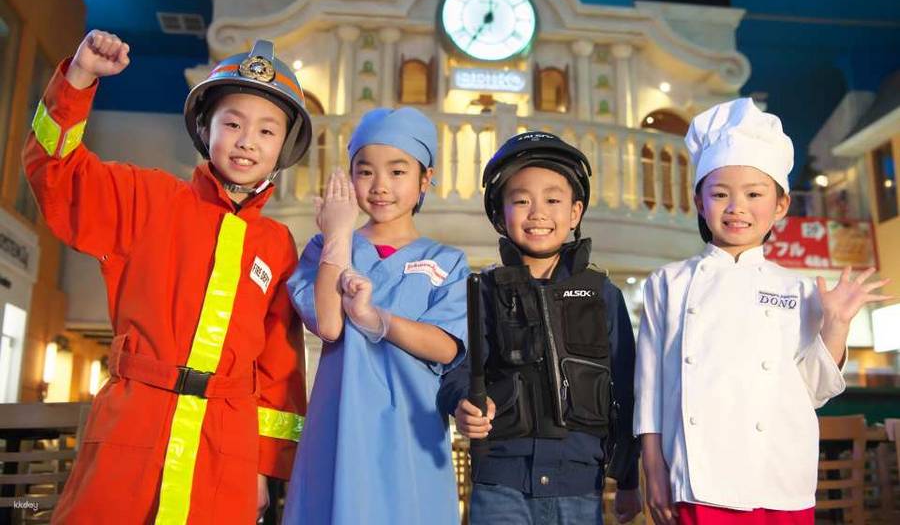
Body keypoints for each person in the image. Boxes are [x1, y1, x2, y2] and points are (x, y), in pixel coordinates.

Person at [24, 30, 310, 524]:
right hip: (133, 424)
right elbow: (56, 170)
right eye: (232, 123)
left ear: (283, 147)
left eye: (267, 131)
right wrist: (81, 76)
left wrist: (263, 469)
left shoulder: (277, 244)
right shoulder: (146, 198)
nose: (247, 141)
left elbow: (279, 365)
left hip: (225, 445)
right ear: (204, 127)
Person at [634, 98, 891, 525]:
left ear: (780, 205)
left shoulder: (800, 289)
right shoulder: (668, 283)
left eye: (754, 194)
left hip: (780, 471)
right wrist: (653, 468)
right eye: (720, 194)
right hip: (699, 477)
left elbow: (814, 390)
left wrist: (837, 324)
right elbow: (649, 388)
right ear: (699, 202)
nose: (736, 207)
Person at [438, 131, 643, 525]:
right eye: (521, 200)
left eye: (552, 200)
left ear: (575, 212)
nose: (537, 213)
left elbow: (626, 388)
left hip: (581, 485)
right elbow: (456, 370)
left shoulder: (604, 294)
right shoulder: (482, 291)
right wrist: (462, 402)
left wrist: (629, 477)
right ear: (500, 214)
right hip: (501, 484)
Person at [283, 107, 470, 525]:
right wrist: (337, 234)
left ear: (425, 179)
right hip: (341, 426)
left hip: (413, 432)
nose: (380, 185)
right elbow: (329, 325)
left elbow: (446, 347)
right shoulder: (325, 248)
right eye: (365, 172)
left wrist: (377, 320)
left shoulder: (447, 262)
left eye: (398, 172)